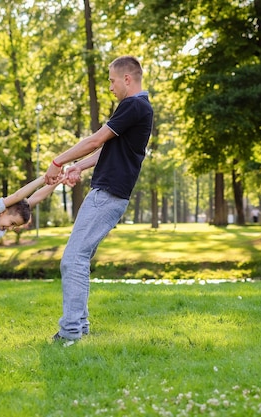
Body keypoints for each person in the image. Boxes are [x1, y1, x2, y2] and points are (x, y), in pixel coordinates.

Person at [44, 55, 153, 345]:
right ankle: (79, 326)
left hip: (108, 194)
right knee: (77, 258)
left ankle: (70, 334)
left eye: (112, 80)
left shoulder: (134, 104)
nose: (110, 87)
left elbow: (95, 139)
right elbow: (108, 149)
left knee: (73, 259)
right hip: (108, 193)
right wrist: (79, 166)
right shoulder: (138, 108)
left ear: (127, 79)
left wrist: (58, 161)